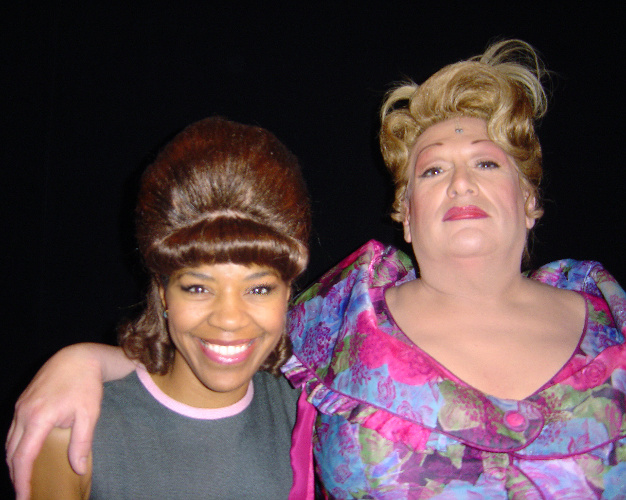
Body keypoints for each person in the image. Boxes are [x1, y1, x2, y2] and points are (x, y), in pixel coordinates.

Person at [7, 40, 626, 499]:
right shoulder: (338, 322)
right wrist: (85, 360)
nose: (461, 182)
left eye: (486, 163)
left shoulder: (613, 322)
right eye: (434, 169)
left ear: (531, 199)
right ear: (405, 214)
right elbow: (229, 345)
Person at [22, 116, 313, 499]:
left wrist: (84, 357)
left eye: (258, 289)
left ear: (287, 292)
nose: (229, 318)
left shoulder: (310, 413)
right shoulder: (76, 436)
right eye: (198, 287)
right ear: (162, 292)